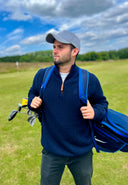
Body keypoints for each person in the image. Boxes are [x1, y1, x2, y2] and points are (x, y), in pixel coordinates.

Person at [28, 30, 108, 185]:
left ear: (74, 51)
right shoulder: (42, 75)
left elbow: (102, 103)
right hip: (51, 151)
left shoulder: (89, 79)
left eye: (60, 47)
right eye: (54, 47)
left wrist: (95, 112)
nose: (54, 51)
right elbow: (33, 93)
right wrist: (33, 102)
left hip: (81, 152)